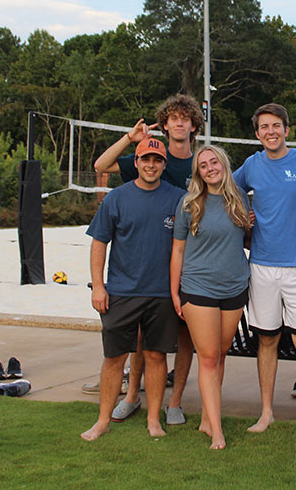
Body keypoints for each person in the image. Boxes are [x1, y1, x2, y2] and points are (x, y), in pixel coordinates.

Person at [90, 94, 202, 425]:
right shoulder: (148, 156)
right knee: (141, 339)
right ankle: (131, 395)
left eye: (186, 118)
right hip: (141, 275)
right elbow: (101, 166)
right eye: (173, 118)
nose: (179, 123)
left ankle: (175, 402)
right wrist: (130, 138)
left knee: (181, 340)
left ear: (194, 125)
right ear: (165, 125)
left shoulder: (201, 165)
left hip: (184, 268)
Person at [233, 102, 296, 437]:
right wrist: (243, 215)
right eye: (264, 127)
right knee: (267, 340)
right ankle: (266, 413)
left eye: (276, 126)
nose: (270, 132)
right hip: (261, 265)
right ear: (257, 133)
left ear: (287, 130)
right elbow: (224, 191)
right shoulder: (251, 165)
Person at [80, 137, 185, 441]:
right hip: (122, 292)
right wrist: (98, 287)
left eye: (157, 160)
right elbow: (99, 243)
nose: (151, 165)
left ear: (164, 165)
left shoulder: (178, 198)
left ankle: (154, 419)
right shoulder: (116, 198)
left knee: (155, 357)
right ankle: (102, 421)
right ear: (136, 163)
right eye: (145, 159)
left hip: (162, 293)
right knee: (114, 358)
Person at [169, 145, 252, 449]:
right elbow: (177, 250)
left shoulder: (239, 198)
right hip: (198, 288)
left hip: (234, 287)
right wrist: (174, 291)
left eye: (213, 162)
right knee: (207, 357)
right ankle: (217, 431)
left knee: (220, 352)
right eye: (203, 165)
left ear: (223, 164)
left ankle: (208, 417)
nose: (209, 168)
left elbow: (242, 238)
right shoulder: (189, 203)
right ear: (198, 173)